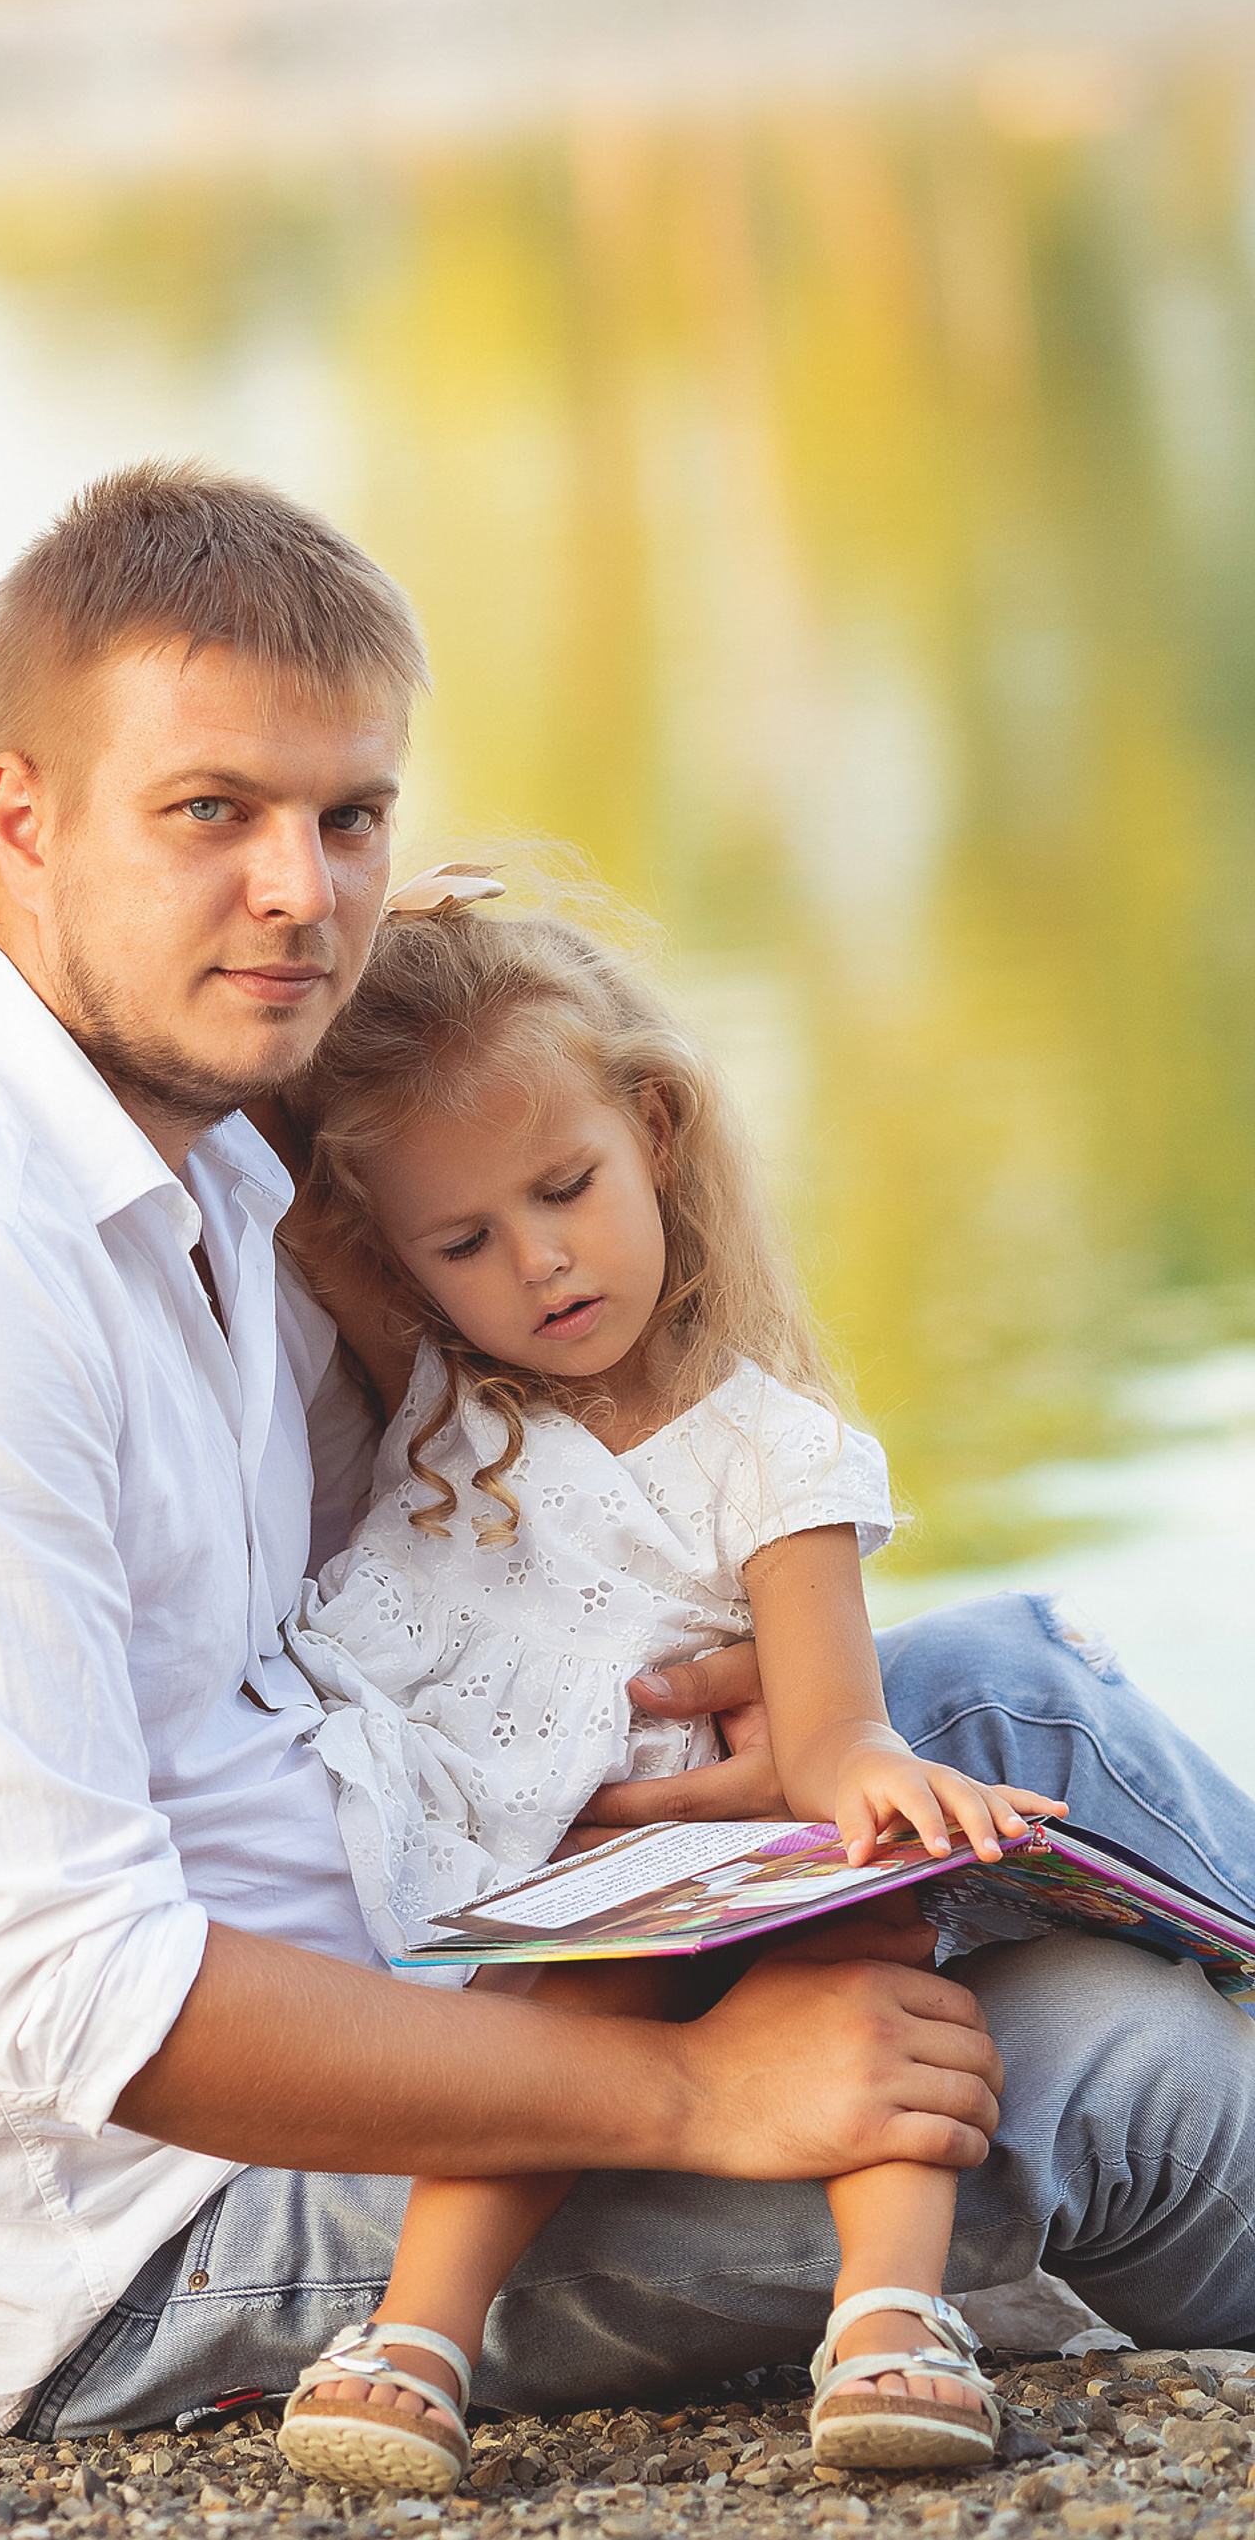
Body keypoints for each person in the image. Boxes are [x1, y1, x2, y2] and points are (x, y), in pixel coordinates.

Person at [0, 460, 1255, 2440]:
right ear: (20, 820)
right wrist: (690, 2087)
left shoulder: (205, 1143)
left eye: (347, 814)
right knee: (1122, 2068)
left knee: (1006, 1697)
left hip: (429, 1892)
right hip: (142, 2230)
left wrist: (717, 1751)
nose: (301, 893)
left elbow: (510, 1263)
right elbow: (82, 2002)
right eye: (208, 812)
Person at [266, 902, 1064, 2493]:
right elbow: (233, 1136)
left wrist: (889, 1788)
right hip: (507, 1893)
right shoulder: (439, 1381)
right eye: (465, 1238)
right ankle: (416, 2341)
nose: (537, 1262)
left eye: (563, 1190)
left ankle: (893, 2321)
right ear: (397, 1250)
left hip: (680, 1880)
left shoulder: (777, 1454)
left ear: (654, 1125)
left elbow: (831, 1721)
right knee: (564, 2003)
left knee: (873, 1943)